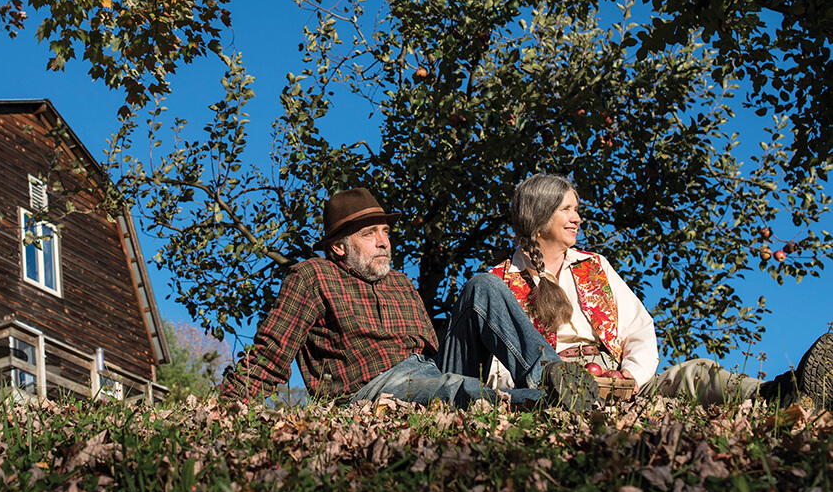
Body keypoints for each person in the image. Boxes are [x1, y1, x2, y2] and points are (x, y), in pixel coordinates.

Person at [219, 188, 601, 410]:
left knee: (484, 284)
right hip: (371, 388)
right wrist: (226, 405)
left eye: (385, 231)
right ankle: (537, 404)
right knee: (450, 390)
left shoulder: (400, 283)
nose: (384, 241)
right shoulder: (312, 276)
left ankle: (552, 378)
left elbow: (435, 353)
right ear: (338, 246)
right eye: (370, 234)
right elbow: (272, 353)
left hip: (429, 370)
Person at [477, 173, 833, 410]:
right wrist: (549, 380)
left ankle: (784, 394)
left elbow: (639, 330)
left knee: (695, 373)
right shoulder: (498, 282)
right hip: (550, 383)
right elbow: (494, 367)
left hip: (614, 377)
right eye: (567, 209)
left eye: (577, 210)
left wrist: (631, 376)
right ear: (540, 218)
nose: (578, 219)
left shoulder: (594, 265)